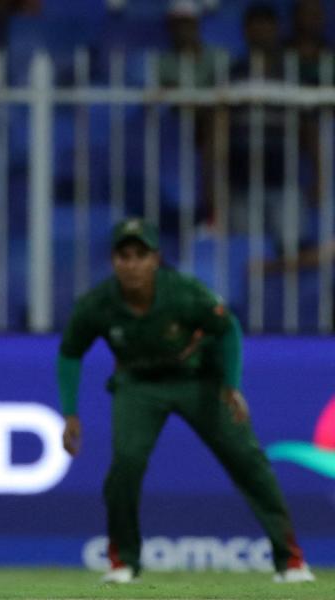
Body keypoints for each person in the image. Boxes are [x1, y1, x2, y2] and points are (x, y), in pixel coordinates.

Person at [56, 218, 315, 584]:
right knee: (125, 466)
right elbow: (70, 353)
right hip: (138, 386)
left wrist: (231, 385)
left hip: (199, 381)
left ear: (156, 259)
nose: (132, 264)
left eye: (141, 255)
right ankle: (123, 562)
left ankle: (290, 561)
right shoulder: (98, 304)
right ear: (114, 261)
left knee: (248, 460)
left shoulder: (183, 292)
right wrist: (70, 412)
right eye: (123, 256)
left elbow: (228, 330)